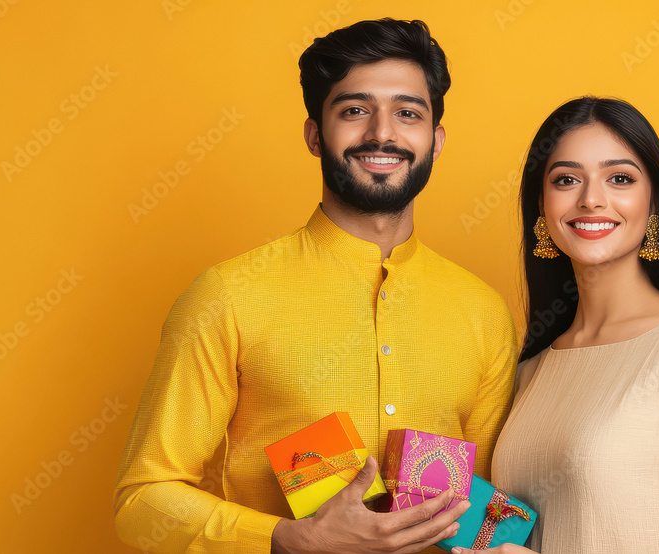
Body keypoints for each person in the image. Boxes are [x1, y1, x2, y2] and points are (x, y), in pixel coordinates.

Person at [114, 19, 519, 554]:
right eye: (354, 110)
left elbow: (486, 510)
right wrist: (286, 538)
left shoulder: (482, 311)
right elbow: (142, 501)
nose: (382, 132)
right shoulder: (227, 295)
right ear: (313, 135)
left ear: (435, 140)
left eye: (407, 113)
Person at [453, 97, 659, 554]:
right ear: (540, 207)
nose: (591, 199)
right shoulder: (533, 369)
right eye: (566, 179)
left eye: (619, 178)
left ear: (654, 200)